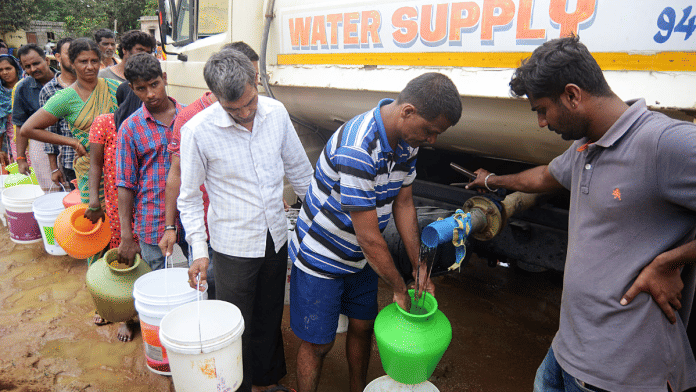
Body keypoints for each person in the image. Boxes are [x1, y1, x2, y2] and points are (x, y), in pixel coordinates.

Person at [465, 36, 696, 392]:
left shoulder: (663, 143)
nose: (541, 122)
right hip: (566, 352)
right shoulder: (584, 148)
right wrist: (492, 179)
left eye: (542, 109)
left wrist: (671, 261)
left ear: (573, 95)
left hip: (618, 375)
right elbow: (544, 176)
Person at [289, 72, 461, 392]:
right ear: (407, 111)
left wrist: (418, 268)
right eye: (430, 131)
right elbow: (369, 237)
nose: (432, 140)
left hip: (362, 255)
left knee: (363, 327)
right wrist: (399, 286)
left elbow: (405, 204)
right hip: (322, 256)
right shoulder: (358, 148)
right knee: (319, 344)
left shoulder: (408, 141)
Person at [179, 49, 313, 392]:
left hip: (274, 236)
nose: (244, 113)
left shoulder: (277, 112)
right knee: (236, 323)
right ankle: (239, 386)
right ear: (214, 96)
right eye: (232, 108)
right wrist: (198, 250)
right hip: (232, 245)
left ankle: (266, 384)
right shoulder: (198, 130)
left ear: (255, 81)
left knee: (269, 315)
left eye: (249, 103)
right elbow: (190, 197)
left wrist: (321, 219)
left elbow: (300, 171)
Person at [160, 41, 261, 300]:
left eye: (255, 78)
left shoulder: (259, 110)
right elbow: (178, 176)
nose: (254, 84)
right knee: (216, 290)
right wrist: (171, 226)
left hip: (248, 228)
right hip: (209, 227)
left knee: (252, 297)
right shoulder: (191, 121)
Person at [20, 38, 119, 206]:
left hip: (119, 168)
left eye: (94, 61)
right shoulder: (65, 97)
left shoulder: (115, 88)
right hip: (89, 170)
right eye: (83, 61)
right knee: (95, 223)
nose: (90, 66)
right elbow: (27, 129)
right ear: (72, 63)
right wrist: (72, 142)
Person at [116, 53, 184, 273]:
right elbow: (125, 183)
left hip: (193, 214)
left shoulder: (189, 117)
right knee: (159, 277)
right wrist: (126, 234)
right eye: (141, 88)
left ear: (164, 78)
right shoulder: (130, 128)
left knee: (204, 274)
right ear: (132, 88)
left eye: (155, 84)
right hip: (152, 218)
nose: (151, 94)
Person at [12, 44, 56, 187]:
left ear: (47, 61)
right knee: (49, 189)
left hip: (69, 142)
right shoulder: (23, 88)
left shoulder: (65, 80)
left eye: (36, 63)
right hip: (40, 145)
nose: (33, 69)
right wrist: (21, 158)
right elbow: (20, 125)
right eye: (27, 66)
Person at [39, 37, 78, 189]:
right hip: (71, 160)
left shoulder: (94, 85)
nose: (75, 58)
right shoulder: (49, 90)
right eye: (70, 54)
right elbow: (49, 132)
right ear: (58, 57)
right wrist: (54, 168)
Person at [0, 54, 22, 166]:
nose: (4, 72)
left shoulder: (26, 87)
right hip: (9, 142)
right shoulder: (1, 94)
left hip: (31, 136)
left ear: (17, 68)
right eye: (1, 70)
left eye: (8, 68)